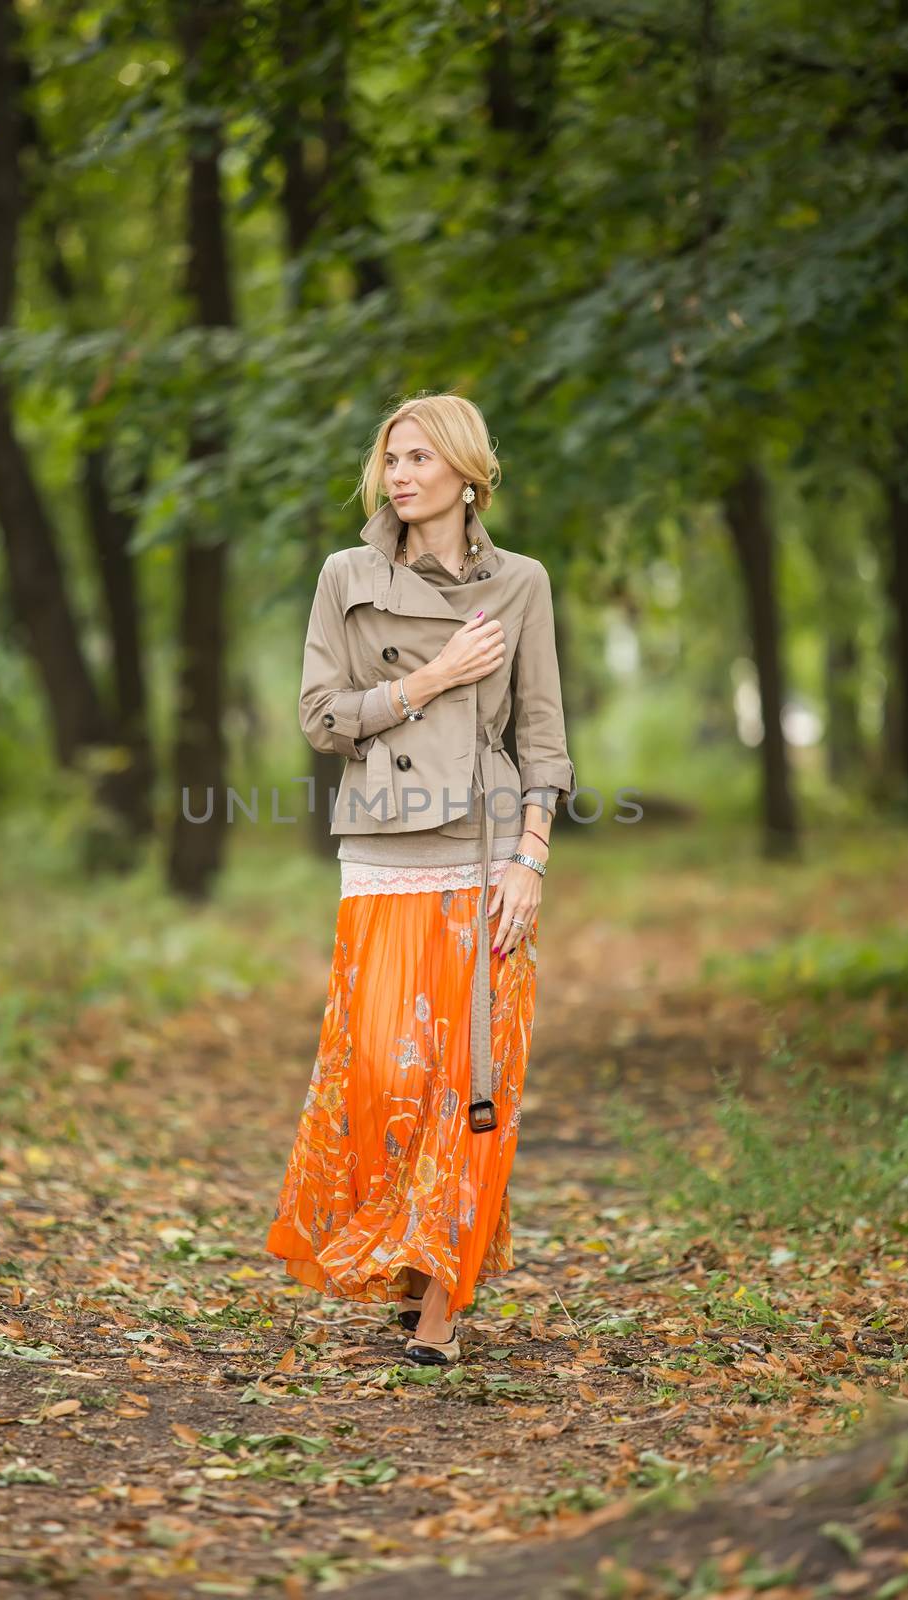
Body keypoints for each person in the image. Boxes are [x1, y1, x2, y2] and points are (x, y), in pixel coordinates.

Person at [265, 391, 576, 1367]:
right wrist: (433, 677)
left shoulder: (520, 583)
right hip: (382, 854)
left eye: (418, 459)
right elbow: (320, 716)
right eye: (389, 459)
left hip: (482, 851)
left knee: (472, 1080)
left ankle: (441, 1300)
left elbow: (540, 737)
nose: (398, 475)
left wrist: (532, 855)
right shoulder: (345, 575)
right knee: (385, 1080)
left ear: (465, 473)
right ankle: (407, 1263)